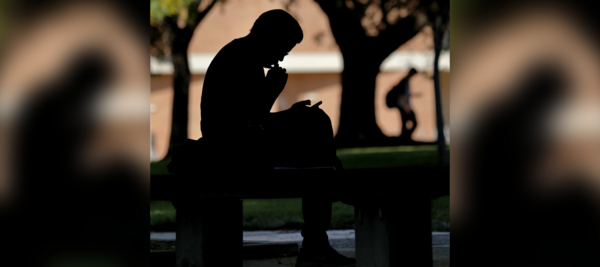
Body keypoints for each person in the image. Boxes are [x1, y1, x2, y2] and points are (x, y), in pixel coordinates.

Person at [199, 9, 355, 267]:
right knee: (316, 128)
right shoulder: (238, 60)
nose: (284, 55)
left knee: (314, 126)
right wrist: (273, 93)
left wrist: (286, 113)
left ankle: (331, 180)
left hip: (242, 146)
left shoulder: (245, 57)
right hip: (231, 153)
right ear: (269, 37)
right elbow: (246, 123)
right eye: (284, 48)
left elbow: (253, 119)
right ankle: (321, 231)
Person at [386, 68, 418, 142]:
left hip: (403, 106)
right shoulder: (404, 81)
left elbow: (406, 94)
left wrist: (415, 95)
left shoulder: (406, 81)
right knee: (410, 122)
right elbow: (402, 95)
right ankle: (404, 138)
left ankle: (405, 138)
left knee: (405, 122)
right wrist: (406, 106)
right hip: (403, 106)